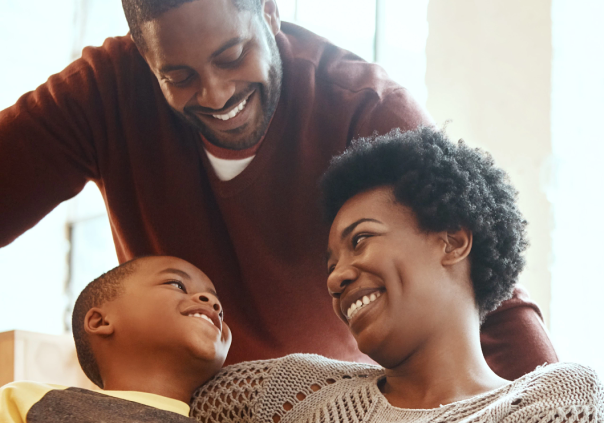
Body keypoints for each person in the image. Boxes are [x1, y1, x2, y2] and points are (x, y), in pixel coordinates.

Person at [0, 0, 556, 377]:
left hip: (337, 411)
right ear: (143, 58)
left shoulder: (365, 110)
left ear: (269, 10)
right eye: (179, 76)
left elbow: (481, 293)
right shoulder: (103, 93)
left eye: (231, 56)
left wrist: (546, 408)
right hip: (184, 410)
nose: (215, 94)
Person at [190, 128, 604, 423]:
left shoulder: (555, 398)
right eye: (331, 263)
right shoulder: (293, 390)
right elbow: (151, 402)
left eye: (361, 240)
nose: (336, 277)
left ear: (453, 240)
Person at [0, 256, 238, 423]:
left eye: (221, 309)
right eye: (177, 284)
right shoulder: (28, 400)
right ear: (101, 321)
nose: (213, 303)